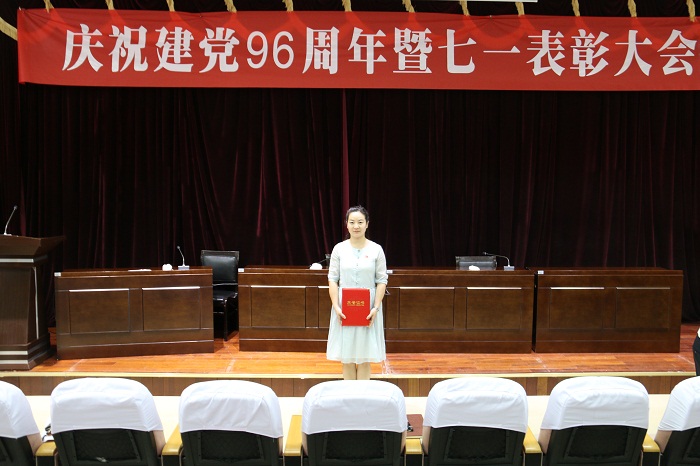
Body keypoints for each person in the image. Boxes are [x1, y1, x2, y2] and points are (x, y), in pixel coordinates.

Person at [326, 205, 388, 380]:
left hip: (369, 308)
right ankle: (350, 394)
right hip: (344, 308)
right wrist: (336, 306)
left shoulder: (376, 249)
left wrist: (375, 308)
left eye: (360, 222)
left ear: (367, 224)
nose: (356, 226)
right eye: (352, 222)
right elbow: (333, 279)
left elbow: (382, 280)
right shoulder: (339, 249)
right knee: (346, 357)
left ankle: (363, 394)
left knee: (364, 358)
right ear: (346, 224)